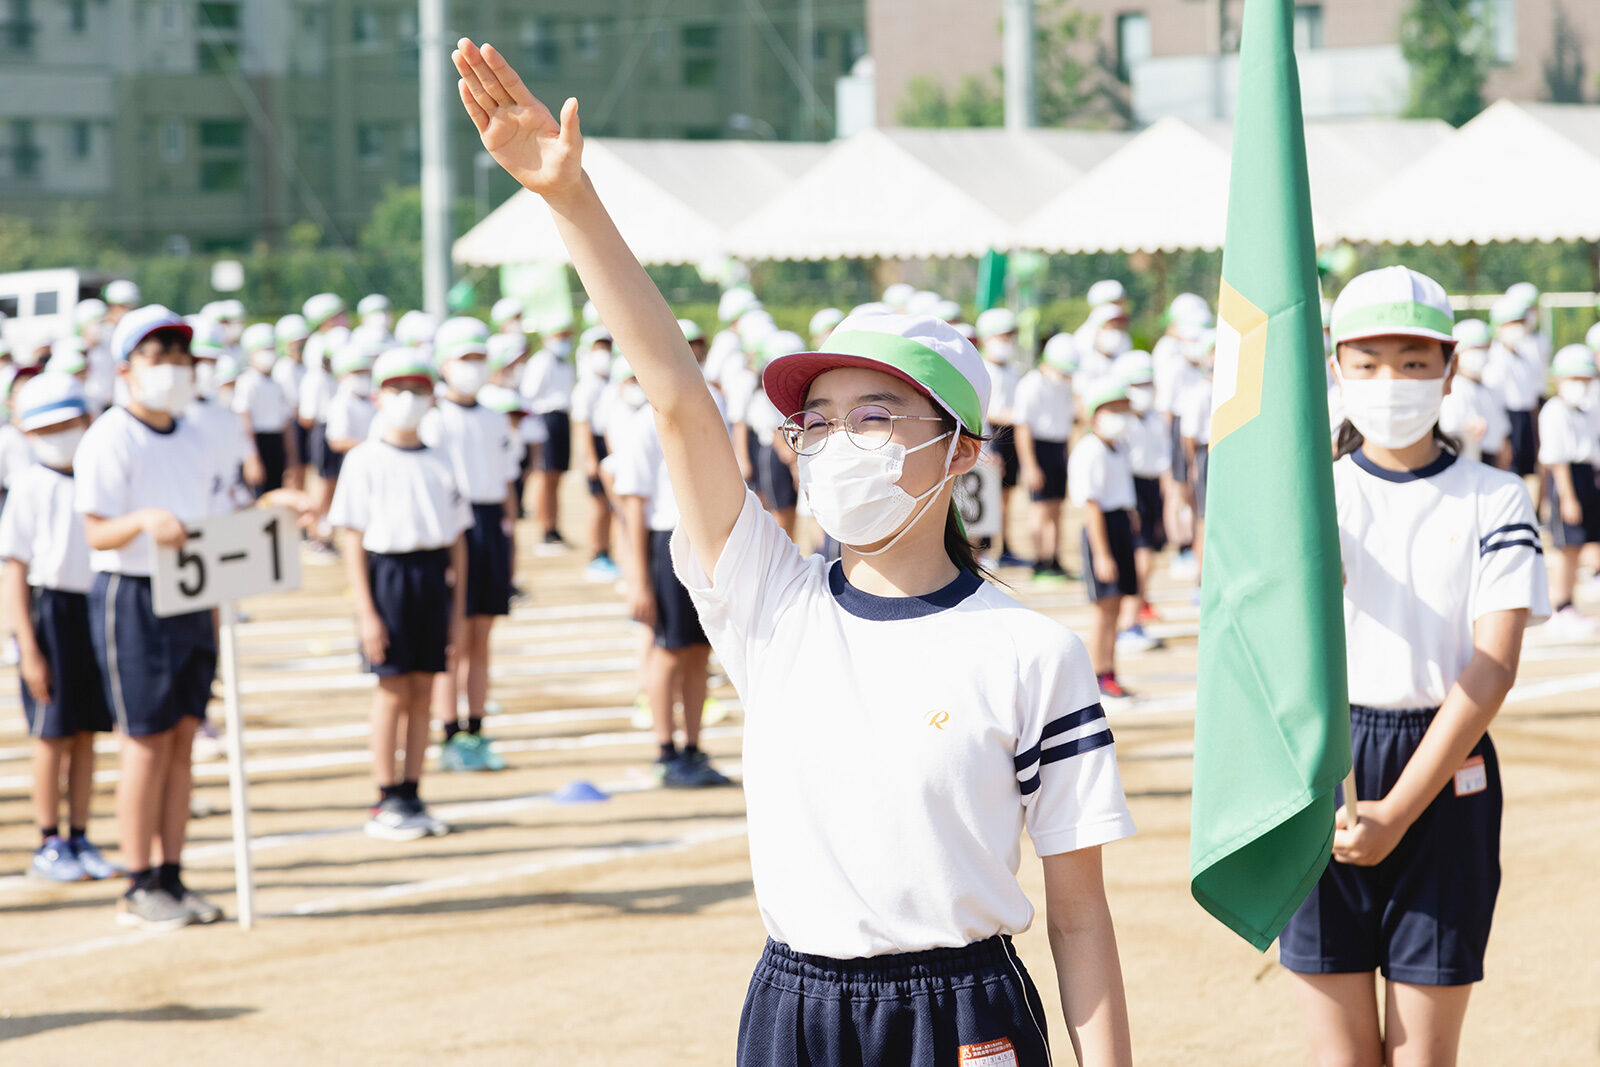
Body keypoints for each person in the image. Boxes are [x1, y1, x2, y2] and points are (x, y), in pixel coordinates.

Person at [456, 37, 1134, 1065]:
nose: (835, 441)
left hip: (965, 1014)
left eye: (876, 414)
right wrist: (570, 199)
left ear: (961, 450)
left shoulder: (1030, 651)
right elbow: (679, 401)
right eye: (817, 418)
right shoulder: (769, 600)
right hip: (796, 1006)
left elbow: (1080, 917)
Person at [1279, 266, 1548, 1067]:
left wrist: (1395, 808)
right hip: (1325, 763)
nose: (1390, 381)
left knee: (1423, 1058)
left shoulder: (1494, 496)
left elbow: (1493, 665)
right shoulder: (1309, 496)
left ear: (1451, 365)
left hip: (1446, 761)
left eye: (1412, 360)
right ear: (1334, 367)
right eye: (1366, 362)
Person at [76, 306, 230, 928]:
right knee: (144, 741)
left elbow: (217, 515)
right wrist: (143, 521)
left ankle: (172, 873)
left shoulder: (196, 434)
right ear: (126, 369)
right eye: (155, 355)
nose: (171, 366)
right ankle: (139, 881)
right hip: (133, 595)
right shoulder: (112, 436)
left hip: (191, 595)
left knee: (183, 737)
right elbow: (96, 529)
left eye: (179, 354)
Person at [330, 349, 469, 840]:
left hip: (432, 578)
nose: (408, 399)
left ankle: (412, 792)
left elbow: (457, 540)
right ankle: (384, 795)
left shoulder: (440, 461)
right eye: (397, 389)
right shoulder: (364, 459)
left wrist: (457, 611)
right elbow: (350, 536)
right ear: (377, 396)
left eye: (418, 389)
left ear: (433, 397)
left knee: (425, 689)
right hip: (387, 576)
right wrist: (366, 610)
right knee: (392, 689)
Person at [1, 374, 119, 883]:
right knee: (52, 734)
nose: (60, 434)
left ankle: (80, 833)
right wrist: (26, 646)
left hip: (97, 606)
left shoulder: (101, 478)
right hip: (50, 616)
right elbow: (14, 569)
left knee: (87, 732)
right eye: (46, 427)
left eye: (69, 423)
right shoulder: (29, 486)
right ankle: (48, 840)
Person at [610, 323, 734, 789]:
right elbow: (632, 504)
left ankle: (694, 747)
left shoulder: (713, 407)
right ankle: (666, 749)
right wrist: (638, 577)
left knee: (700, 651)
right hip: (665, 541)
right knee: (668, 649)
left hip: (706, 540)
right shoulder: (645, 421)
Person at [424, 317, 518, 773]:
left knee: (481, 636)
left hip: (488, 525)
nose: (474, 367)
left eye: (480, 357)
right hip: (451, 528)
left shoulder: (495, 415)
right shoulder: (434, 419)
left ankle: (476, 729)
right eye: (464, 358)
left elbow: (505, 481)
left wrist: (510, 532)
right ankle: (448, 731)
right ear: (443, 364)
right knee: (452, 639)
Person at [1069, 382, 1140, 703]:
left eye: (1123, 409)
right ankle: (1099, 673)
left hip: (1120, 525)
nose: (1120, 417)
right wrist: (1102, 554)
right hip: (1103, 530)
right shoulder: (1090, 449)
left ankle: (1110, 671)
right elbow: (1092, 505)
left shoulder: (1118, 447)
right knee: (1104, 607)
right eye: (1112, 410)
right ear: (1095, 416)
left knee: (1116, 604)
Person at [1537, 344, 1600, 638]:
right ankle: (1562, 606)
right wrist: (1568, 498)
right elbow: (1557, 460)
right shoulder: (1554, 410)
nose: (1582, 386)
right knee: (1567, 547)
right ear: (1559, 380)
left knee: (1580, 545)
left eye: (1586, 380)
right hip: (1567, 480)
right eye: (1575, 379)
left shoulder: (1585, 410)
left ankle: (1569, 605)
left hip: (1587, 476)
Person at [1013, 332, 1076, 580]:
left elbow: (1067, 424)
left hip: (1058, 447)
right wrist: (1030, 466)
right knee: (1039, 509)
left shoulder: (1064, 385)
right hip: (1038, 448)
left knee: (1057, 508)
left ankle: (1054, 558)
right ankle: (1040, 561)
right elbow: (1023, 427)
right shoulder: (1031, 384)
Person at [1117, 352, 1168, 651]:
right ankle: (1129, 622)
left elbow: (1161, 460)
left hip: (1150, 487)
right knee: (1140, 558)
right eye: (1139, 383)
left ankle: (1134, 616)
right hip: (1130, 488)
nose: (1145, 389)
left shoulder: (1155, 418)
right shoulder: (1122, 423)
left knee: (1148, 558)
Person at [975, 307, 1028, 568]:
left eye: (1011, 336)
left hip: (1011, 436)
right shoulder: (981, 368)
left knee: (1007, 496)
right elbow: (983, 411)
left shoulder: (1015, 370)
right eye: (1003, 336)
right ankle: (983, 549)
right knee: (985, 496)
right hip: (990, 436)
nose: (1008, 341)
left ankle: (1005, 547)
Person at [520, 319, 577, 547]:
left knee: (556, 476)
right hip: (546, 418)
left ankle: (554, 526)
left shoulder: (566, 364)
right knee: (545, 475)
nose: (563, 340)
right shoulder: (541, 362)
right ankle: (546, 528)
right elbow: (529, 395)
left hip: (562, 417)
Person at [570, 331, 618, 581]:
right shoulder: (586, 385)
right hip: (596, 446)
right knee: (599, 503)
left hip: (610, 444)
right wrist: (590, 457)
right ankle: (597, 552)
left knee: (612, 504)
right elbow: (582, 423)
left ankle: (608, 551)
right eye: (599, 347)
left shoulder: (612, 380)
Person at [1484, 295, 1544, 479]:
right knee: (1508, 471)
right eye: (1512, 323)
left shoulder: (1526, 355)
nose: (1518, 327)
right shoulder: (1493, 357)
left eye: (1521, 322)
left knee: (1529, 472)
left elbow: (1531, 398)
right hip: (1506, 420)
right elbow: (1493, 401)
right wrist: (1503, 437)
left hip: (1525, 419)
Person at [1439, 319, 1512, 469]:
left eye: (1484, 348)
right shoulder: (1454, 389)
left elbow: (1502, 438)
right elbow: (1450, 430)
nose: (1480, 354)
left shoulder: (1490, 389)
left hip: (1490, 463)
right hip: (1466, 461)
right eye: (1474, 349)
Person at [234, 322, 296, 495]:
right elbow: (244, 421)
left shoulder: (277, 383)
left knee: (277, 493)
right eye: (263, 349)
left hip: (276, 442)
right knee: (258, 496)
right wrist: (252, 457)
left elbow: (286, 423)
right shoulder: (247, 382)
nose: (268, 354)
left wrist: (291, 459)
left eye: (271, 348)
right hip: (258, 443)